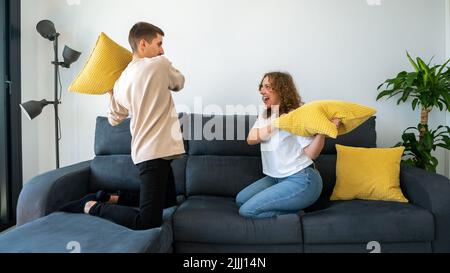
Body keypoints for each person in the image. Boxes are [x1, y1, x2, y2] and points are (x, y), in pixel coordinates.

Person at [59, 22, 185, 230]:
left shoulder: (120, 81)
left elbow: (114, 118)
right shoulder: (159, 64)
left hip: (150, 153)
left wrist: (112, 93)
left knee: (168, 202)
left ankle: (110, 197)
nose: (162, 50)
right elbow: (179, 83)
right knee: (147, 221)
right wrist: (165, 65)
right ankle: (93, 207)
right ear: (143, 44)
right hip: (154, 153)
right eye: (159, 43)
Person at [236, 72, 340, 218]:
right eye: (261, 86)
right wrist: (278, 124)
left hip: (302, 180)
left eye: (267, 86)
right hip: (276, 178)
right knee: (240, 200)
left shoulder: (296, 116)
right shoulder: (266, 115)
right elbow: (251, 139)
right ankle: (294, 210)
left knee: (247, 211)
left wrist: (322, 132)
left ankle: (299, 215)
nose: (261, 91)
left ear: (281, 90)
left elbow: (312, 154)